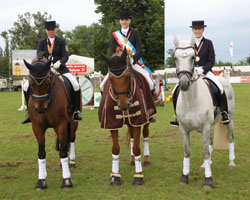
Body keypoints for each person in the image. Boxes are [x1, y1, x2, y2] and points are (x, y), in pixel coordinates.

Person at [170, 20, 230, 127]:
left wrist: (203, 69)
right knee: (175, 90)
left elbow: (211, 61)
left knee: (220, 88)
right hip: (191, 72)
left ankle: (224, 113)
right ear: (192, 30)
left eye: (199, 29)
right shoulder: (188, 44)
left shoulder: (208, 43)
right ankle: (177, 116)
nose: (197, 31)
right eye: (195, 29)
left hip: (205, 72)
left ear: (203, 30)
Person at [100, 11, 156, 122]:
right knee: (102, 86)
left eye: (126, 19)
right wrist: (117, 59)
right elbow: (112, 51)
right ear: (120, 21)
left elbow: (139, 49)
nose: (124, 21)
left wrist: (133, 59)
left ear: (129, 21)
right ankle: (107, 108)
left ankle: (148, 111)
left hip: (133, 63)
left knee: (150, 83)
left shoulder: (135, 33)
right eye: (122, 20)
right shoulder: (115, 35)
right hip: (119, 65)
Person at [22, 21, 82, 123]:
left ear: (55, 30)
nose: (51, 32)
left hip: (60, 68)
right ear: (46, 31)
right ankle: (29, 112)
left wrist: (60, 62)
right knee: (26, 86)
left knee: (75, 84)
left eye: (52, 30)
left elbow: (65, 55)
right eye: (49, 30)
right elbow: (38, 57)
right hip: (45, 70)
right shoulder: (41, 43)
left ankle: (76, 111)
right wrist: (44, 62)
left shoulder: (61, 41)